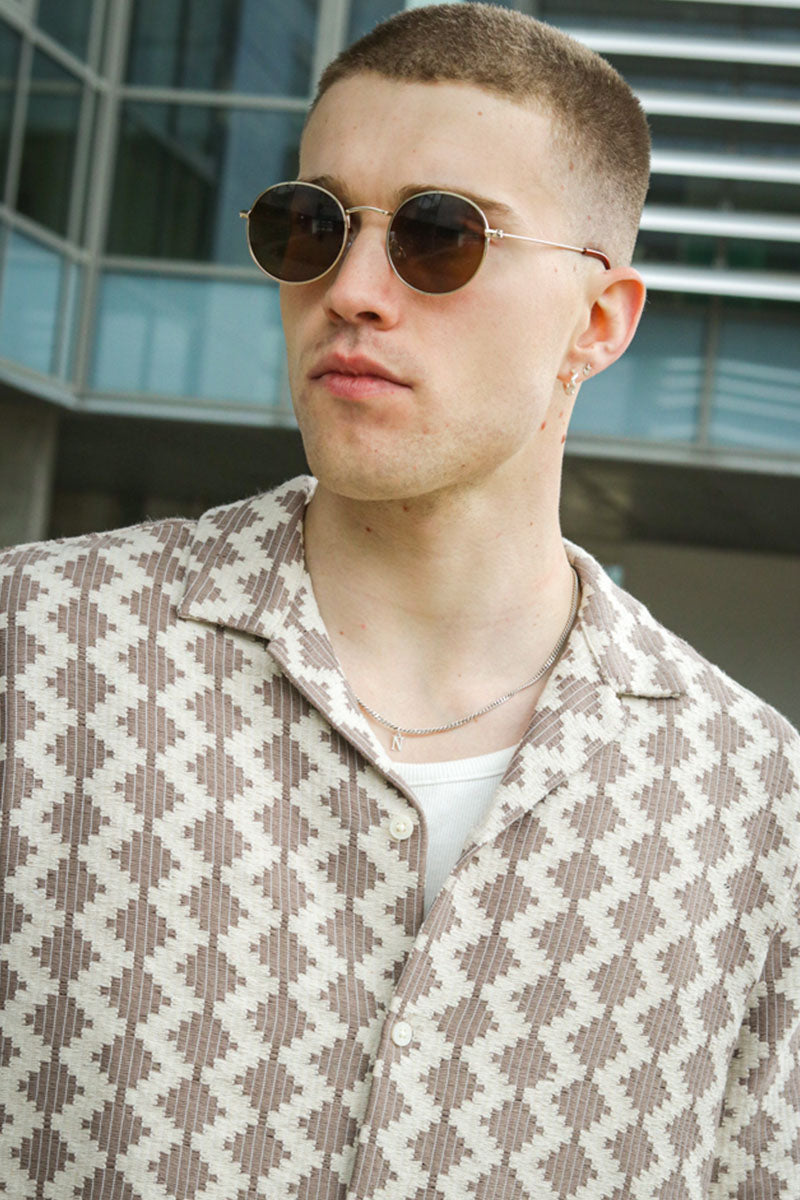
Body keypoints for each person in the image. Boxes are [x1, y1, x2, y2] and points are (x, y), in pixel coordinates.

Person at [1, 5, 798, 1198]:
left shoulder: (752, 808)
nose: (353, 290)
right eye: (310, 226)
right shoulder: (33, 657)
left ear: (595, 323)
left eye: (439, 236)